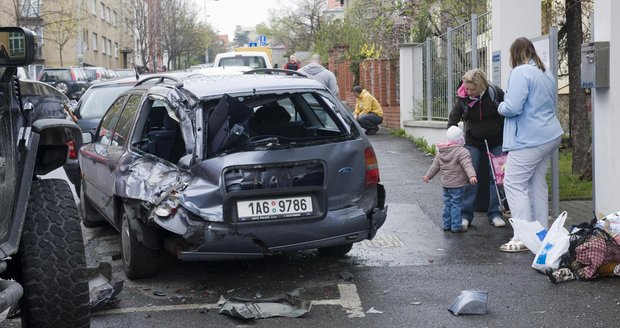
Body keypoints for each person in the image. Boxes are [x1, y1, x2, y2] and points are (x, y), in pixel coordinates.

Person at [497, 37, 564, 252]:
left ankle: (522, 237)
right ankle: (540, 232)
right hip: (550, 134)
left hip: (529, 138)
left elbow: (513, 107)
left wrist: (500, 106)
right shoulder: (546, 73)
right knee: (536, 183)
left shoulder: (520, 72)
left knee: (514, 183)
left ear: (515, 54)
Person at [447, 69, 506, 231]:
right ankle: (466, 215)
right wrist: (452, 138)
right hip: (473, 141)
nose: (469, 92)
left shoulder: (495, 94)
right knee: (470, 176)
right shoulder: (463, 98)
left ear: (481, 86)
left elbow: (508, 112)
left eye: (472, 89)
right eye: (467, 88)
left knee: (496, 177)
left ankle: (495, 214)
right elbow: (453, 119)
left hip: (496, 140)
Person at [422, 126, 478, 233]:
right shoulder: (462, 151)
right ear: (461, 138)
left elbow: (435, 166)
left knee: (447, 204)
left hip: (446, 184)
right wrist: (472, 176)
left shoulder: (442, 151)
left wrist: (428, 176)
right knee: (456, 205)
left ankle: (446, 225)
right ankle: (456, 226)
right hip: (457, 185)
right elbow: (467, 165)